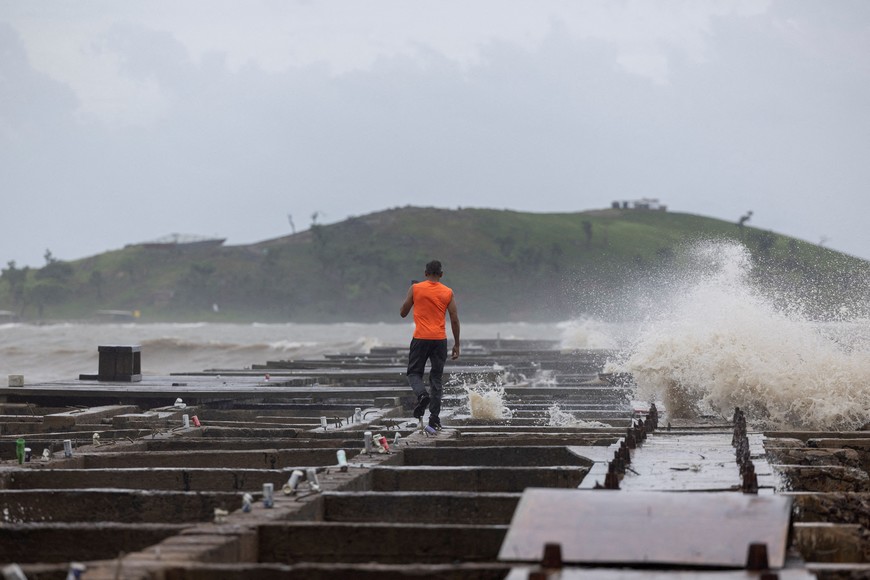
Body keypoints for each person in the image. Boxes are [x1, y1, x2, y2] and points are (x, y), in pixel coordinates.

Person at [400, 260, 460, 430]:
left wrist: (411, 294)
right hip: (440, 340)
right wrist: (457, 344)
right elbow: (454, 319)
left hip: (420, 338)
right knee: (436, 378)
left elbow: (403, 313)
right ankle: (434, 418)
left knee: (413, 373)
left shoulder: (416, 288)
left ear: (425, 273)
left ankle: (422, 395)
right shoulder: (448, 292)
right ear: (441, 274)